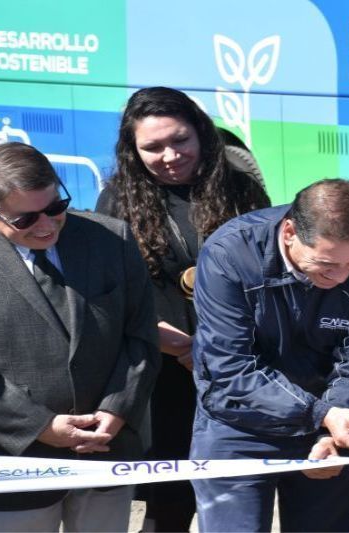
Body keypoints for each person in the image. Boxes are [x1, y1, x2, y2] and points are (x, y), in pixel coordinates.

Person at [95, 86, 270, 531]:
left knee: (235, 488)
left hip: (236, 365)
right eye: (152, 147)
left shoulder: (242, 191)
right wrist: (182, 348)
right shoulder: (117, 201)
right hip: (163, 371)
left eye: (180, 140)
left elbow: (265, 280)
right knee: (169, 495)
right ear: (132, 151)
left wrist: (220, 351)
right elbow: (114, 299)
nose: (170, 155)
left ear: (202, 135)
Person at [189, 178, 349, 532]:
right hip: (237, 424)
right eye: (326, 264)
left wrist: (329, 430)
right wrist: (320, 414)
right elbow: (232, 366)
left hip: (328, 427)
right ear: (289, 232)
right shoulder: (229, 254)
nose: (340, 277)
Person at [0, 142, 159, 531]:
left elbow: (140, 335)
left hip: (107, 455)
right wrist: (41, 427)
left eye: (55, 207)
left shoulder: (111, 239)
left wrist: (118, 409)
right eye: (25, 220)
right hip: (16, 468)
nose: (46, 225)